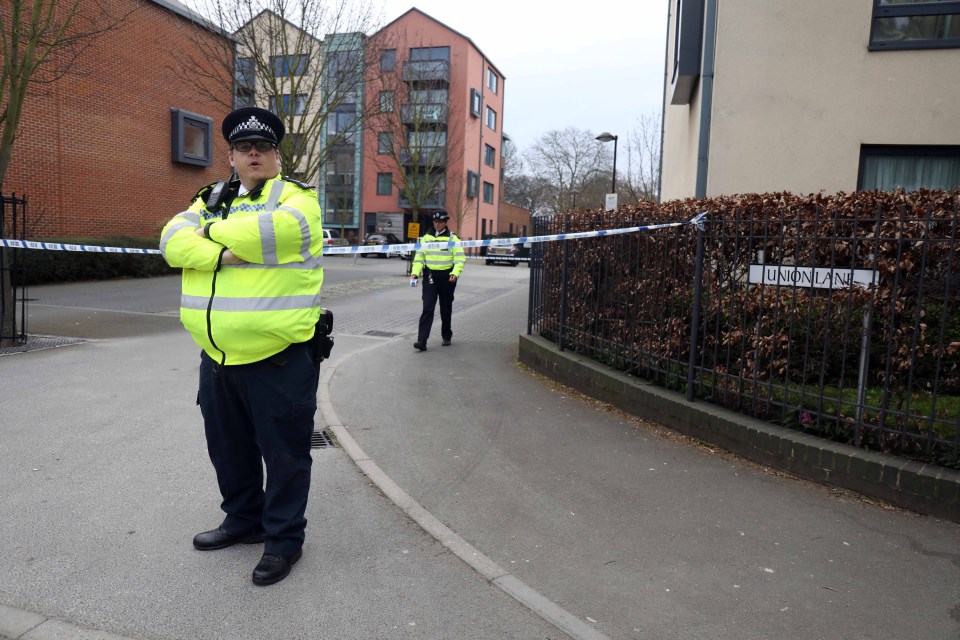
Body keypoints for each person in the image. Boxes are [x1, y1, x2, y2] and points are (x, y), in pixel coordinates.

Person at [159, 107, 326, 586]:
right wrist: (226, 248)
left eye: (264, 147)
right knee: (227, 449)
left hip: (279, 357)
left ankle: (283, 541)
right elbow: (171, 241)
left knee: (286, 454)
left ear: (276, 154)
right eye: (244, 148)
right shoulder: (209, 196)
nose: (254, 154)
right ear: (230, 155)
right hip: (216, 358)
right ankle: (243, 521)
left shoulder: (298, 198)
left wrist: (207, 235)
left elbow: (278, 232)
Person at [410, 211, 466, 351]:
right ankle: (422, 341)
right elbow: (419, 257)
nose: (437, 224)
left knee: (445, 308)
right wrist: (415, 273)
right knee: (428, 307)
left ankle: (446, 335)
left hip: (447, 277)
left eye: (440, 222)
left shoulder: (453, 239)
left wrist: (455, 273)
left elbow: (459, 259)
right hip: (430, 276)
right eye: (435, 221)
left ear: (446, 222)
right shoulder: (425, 238)